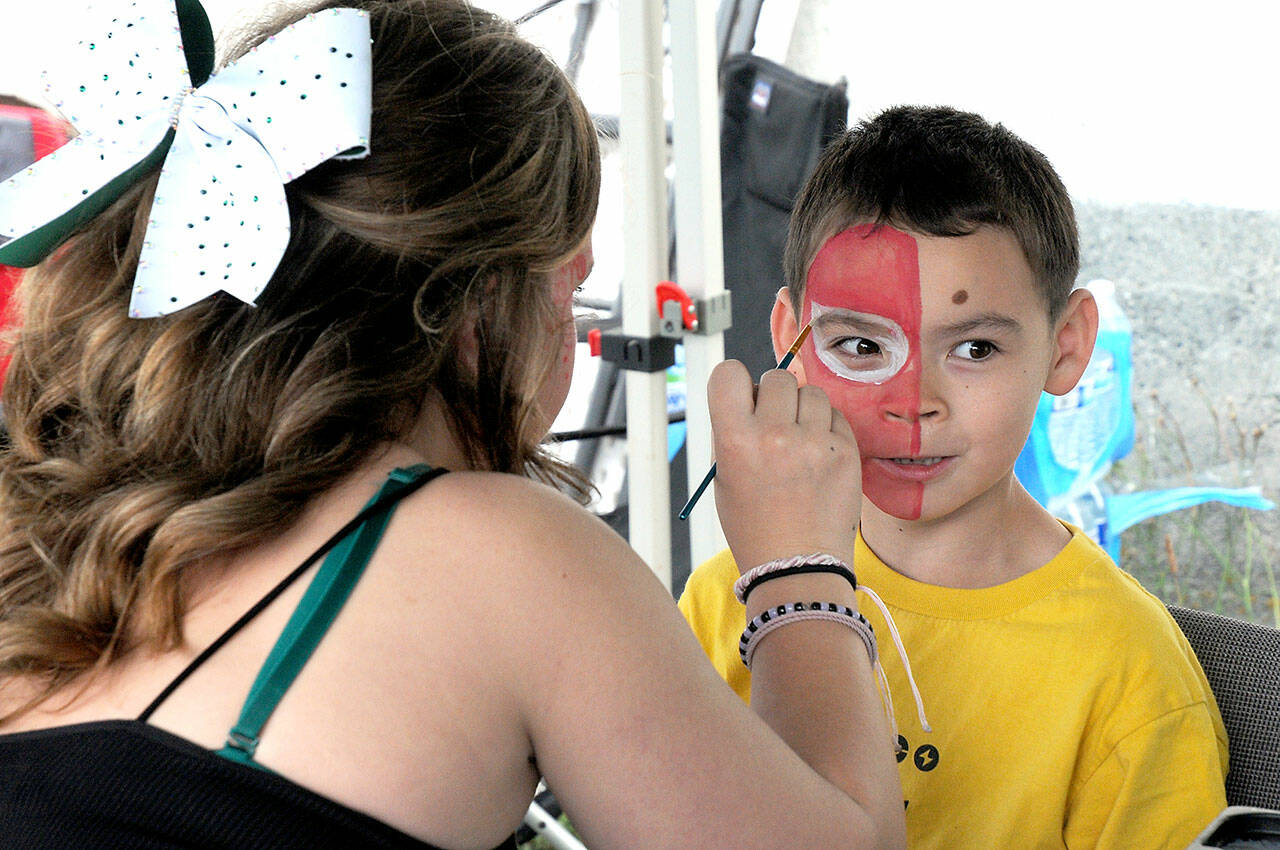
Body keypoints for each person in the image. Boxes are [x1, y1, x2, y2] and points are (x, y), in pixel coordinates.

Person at [0, 1, 908, 848]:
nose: (579, 335)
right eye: (570, 286)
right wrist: (799, 564)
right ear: (478, 312)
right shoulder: (501, 554)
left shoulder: (30, 522)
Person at [679, 105, 1229, 850]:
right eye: (861, 346)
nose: (915, 405)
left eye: (973, 349)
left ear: (1066, 347)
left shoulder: (1130, 679)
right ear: (792, 344)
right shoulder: (730, 598)